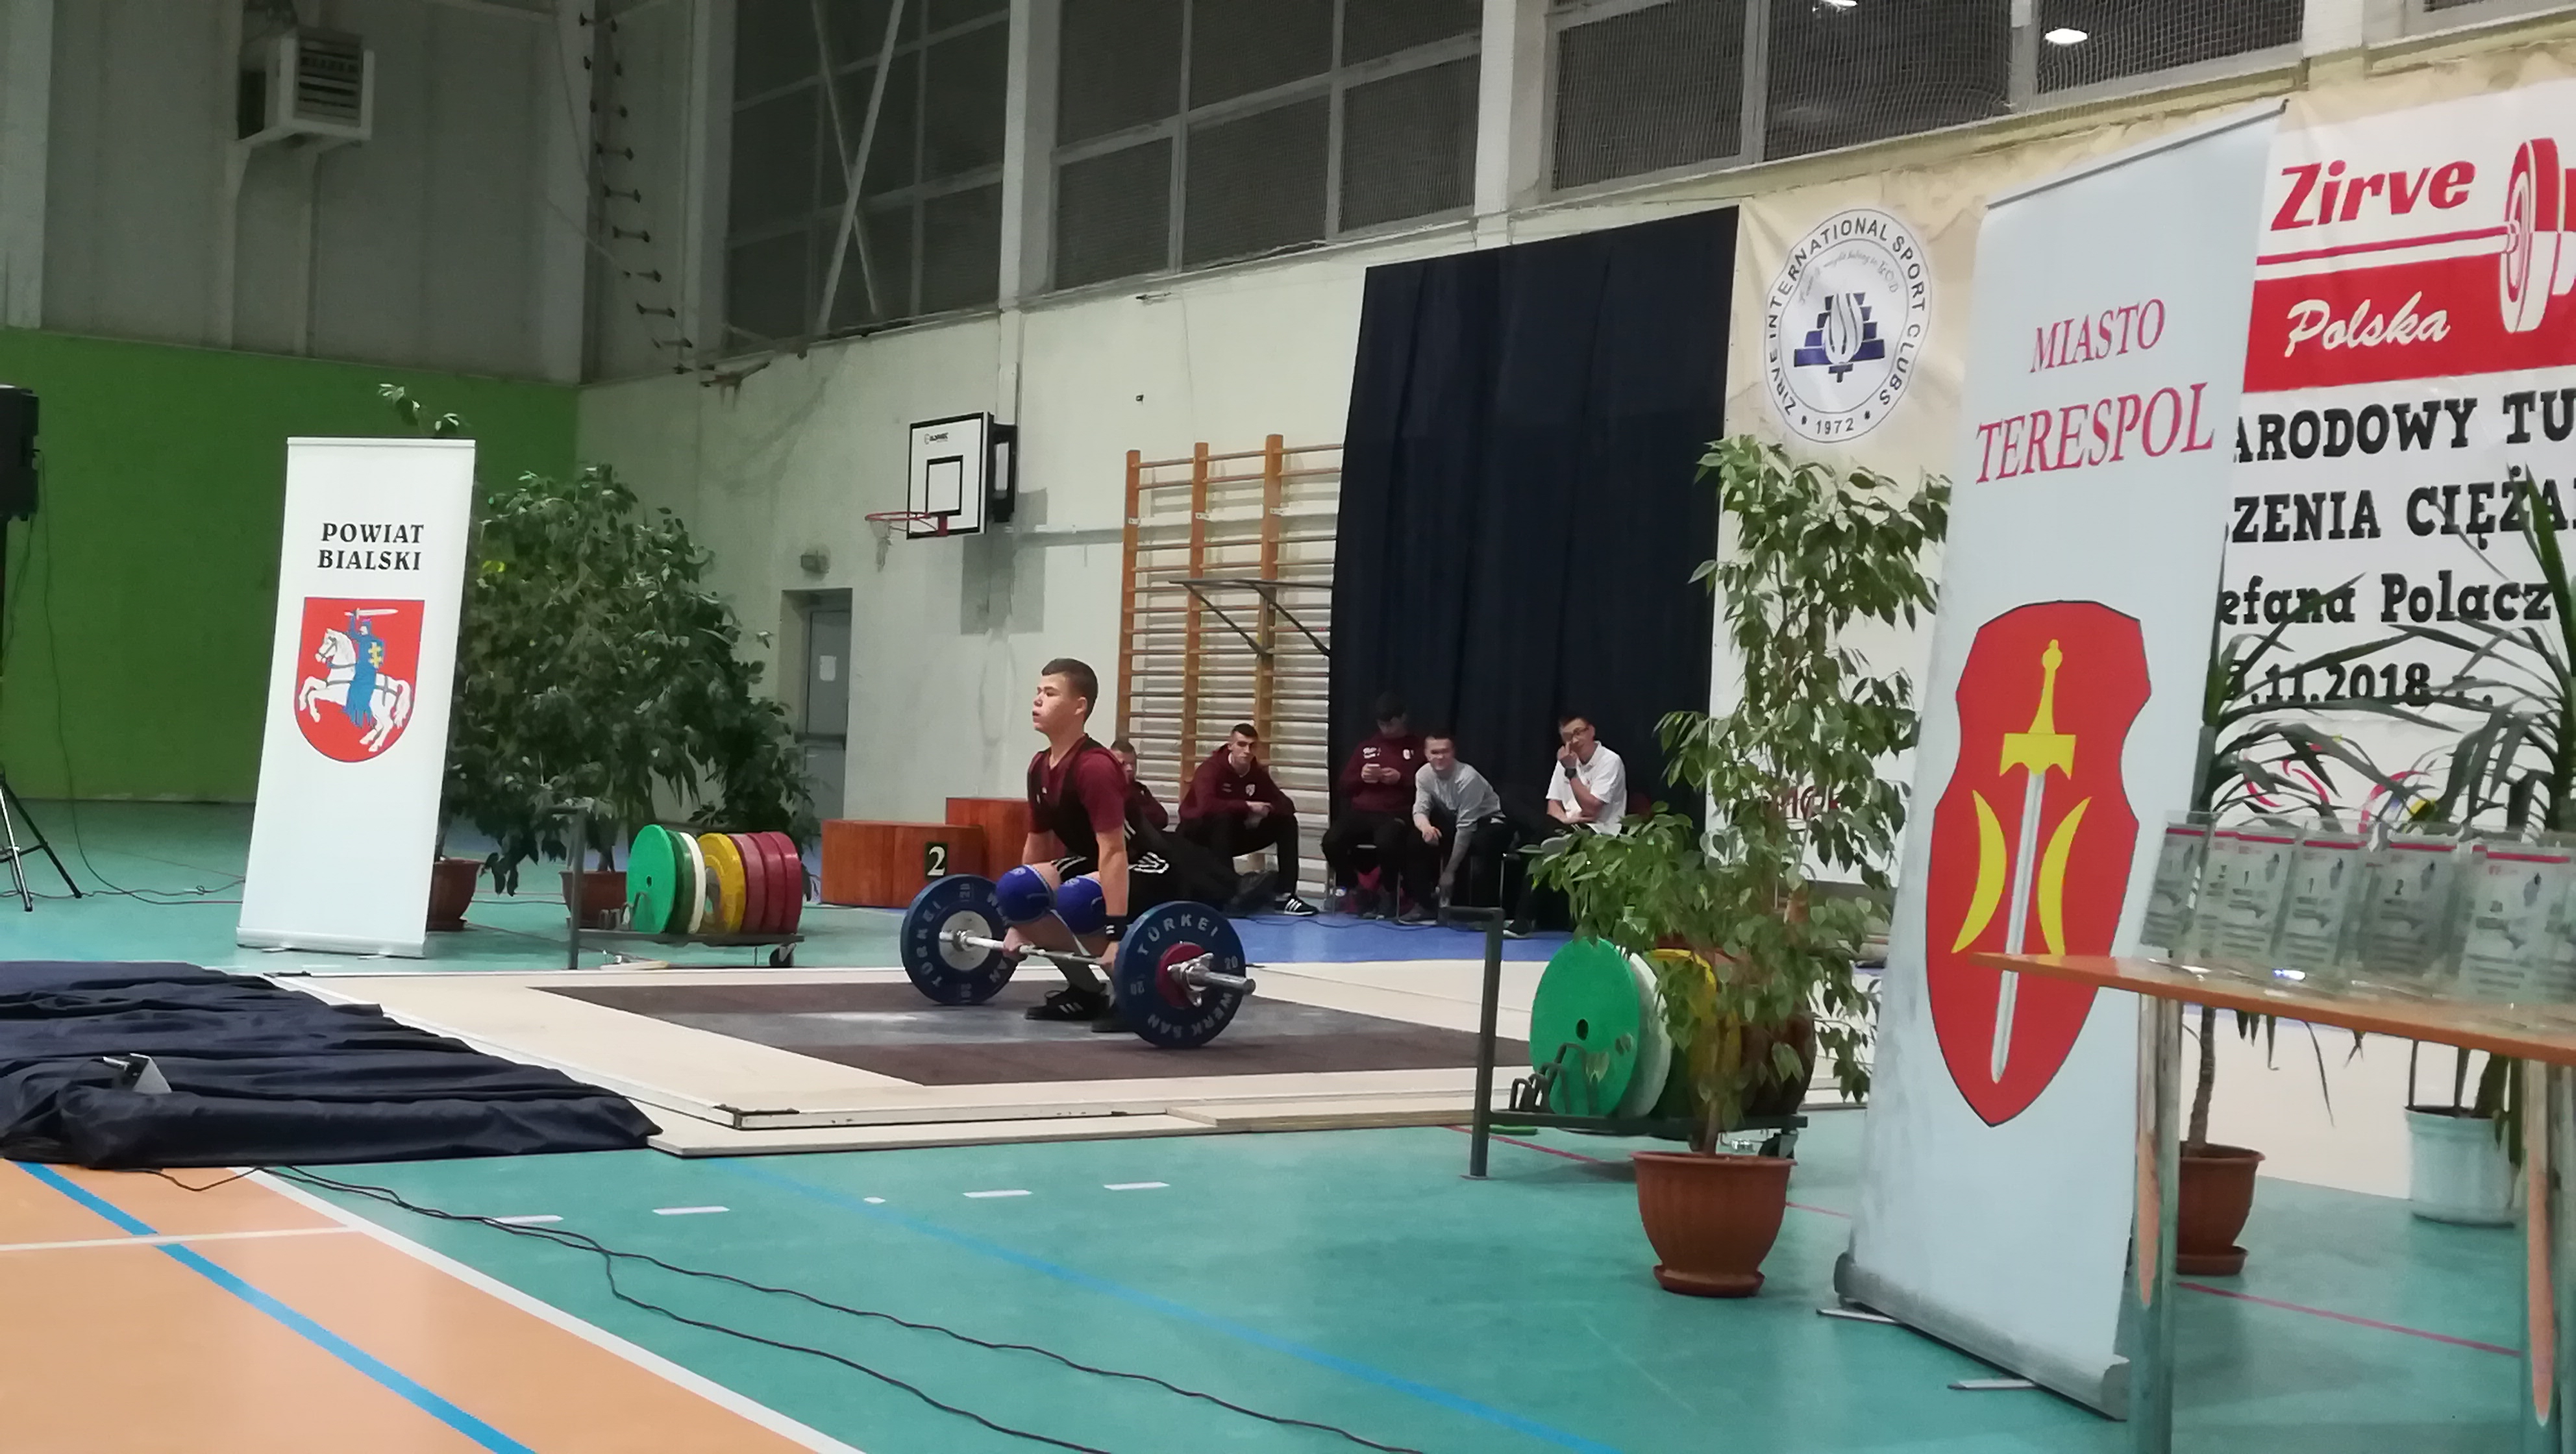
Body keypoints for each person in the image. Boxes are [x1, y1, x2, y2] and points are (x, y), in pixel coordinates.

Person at [1001, 658, 1180, 1031]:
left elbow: (1114, 851)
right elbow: (1037, 841)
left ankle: (1137, 993)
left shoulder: (1094, 767)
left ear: (1079, 707)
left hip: (1147, 864)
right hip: (1094, 861)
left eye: (1050, 694)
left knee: (1078, 898)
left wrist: (1115, 935)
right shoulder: (1040, 766)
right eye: (1038, 692)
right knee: (1016, 890)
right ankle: (1085, 991)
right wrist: (1020, 923)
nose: (1038, 700)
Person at [1177, 723, 1317, 916]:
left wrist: (1264, 813)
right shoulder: (1211, 769)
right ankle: (1230, 893)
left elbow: (1286, 805)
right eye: (1242, 745)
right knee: (1223, 819)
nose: (1247, 751)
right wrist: (1247, 806)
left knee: (1287, 822)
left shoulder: (1255, 772)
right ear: (1230, 746)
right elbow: (1205, 807)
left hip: (1232, 833)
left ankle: (1285, 895)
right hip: (1199, 835)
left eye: (1252, 746)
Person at [1324, 692, 1426, 918]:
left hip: (1396, 812)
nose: (1386, 729)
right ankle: (1357, 889)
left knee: (1387, 842)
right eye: (1382, 724)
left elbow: (1430, 787)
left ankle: (1391, 892)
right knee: (1331, 841)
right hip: (1362, 811)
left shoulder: (1418, 747)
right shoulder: (1367, 747)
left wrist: (1401, 779)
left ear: (1403, 718)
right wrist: (1361, 777)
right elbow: (1344, 786)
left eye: (1391, 724)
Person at [1411, 731, 1513, 922]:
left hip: (1489, 820)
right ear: (1426, 754)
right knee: (1415, 841)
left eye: (1445, 751)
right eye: (1435, 752)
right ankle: (1425, 904)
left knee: (1481, 845)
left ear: (1453, 752)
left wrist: (1449, 872)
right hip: (1454, 819)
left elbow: (1466, 828)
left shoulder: (1468, 778)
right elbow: (1420, 810)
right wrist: (1426, 828)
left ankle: (1483, 912)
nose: (1440, 757)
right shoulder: (1423, 775)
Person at [1546, 711, 1628, 834]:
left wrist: (1571, 771)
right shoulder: (1565, 760)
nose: (1574, 740)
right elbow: (1553, 803)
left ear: (1591, 731)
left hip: (1599, 830)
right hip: (1569, 825)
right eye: (1568, 737)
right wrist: (1564, 820)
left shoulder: (1610, 760)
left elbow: (1591, 809)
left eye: (1578, 733)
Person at [1111, 737, 1167, 831]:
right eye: (1123, 764)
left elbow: (1163, 818)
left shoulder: (1140, 789)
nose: (1130, 769)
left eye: (1132, 764)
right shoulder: (1110, 792)